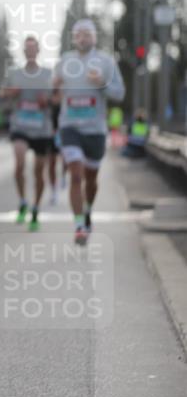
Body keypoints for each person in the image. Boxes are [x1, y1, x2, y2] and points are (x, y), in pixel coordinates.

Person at [53, 19, 125, 245]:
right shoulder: (64, 61)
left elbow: (120, 94)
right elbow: (53, 95)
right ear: (74, 38)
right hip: (70, 127)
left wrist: (102, 82)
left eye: (87, 34)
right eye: (78, 34)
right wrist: (53, 88)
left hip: (95, 130)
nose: (83, 38)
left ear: (94, 37)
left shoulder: (105, 61)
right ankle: (79, 226)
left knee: (91, 179)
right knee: (75, 174)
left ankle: (87, 210)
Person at [1, 35, 54, 231]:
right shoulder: (14, 73)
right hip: (20, 125)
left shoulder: (48, 74)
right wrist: (10, 93)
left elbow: (57, 98)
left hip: (41, 128)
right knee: (20, 163)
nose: (30, 52)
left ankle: (35, 208)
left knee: (39, 171)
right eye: (27, 49)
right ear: (24, 52)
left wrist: (47, 102)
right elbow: (2, 93)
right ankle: (23, 200)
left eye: (33, 48)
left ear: (38, 51)